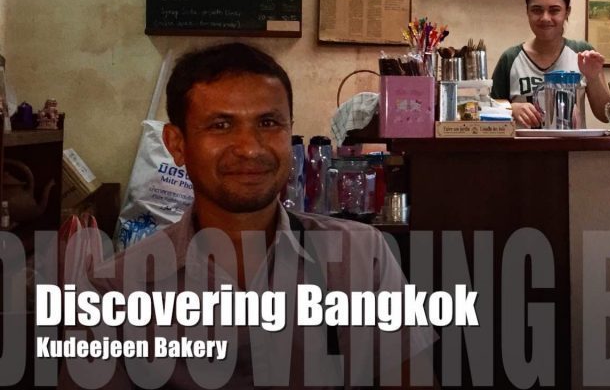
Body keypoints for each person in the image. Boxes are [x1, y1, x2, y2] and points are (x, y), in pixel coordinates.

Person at [59, 43, 433, 389]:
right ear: (177, 144)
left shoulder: (358, 257)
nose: (250, 149)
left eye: (269, 123)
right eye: (220, 125)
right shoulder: (114, 292)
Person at [491, 0, 610, 128]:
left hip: (572, 150)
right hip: (522, 150)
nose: (545, 18)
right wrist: (510, 109)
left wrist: (593, 78)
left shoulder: (583, 53)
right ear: (527, 12)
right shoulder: (510, 58)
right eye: (537, 10)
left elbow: (607, 116)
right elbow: (487, 107)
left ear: (567, 12)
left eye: (554, 10)